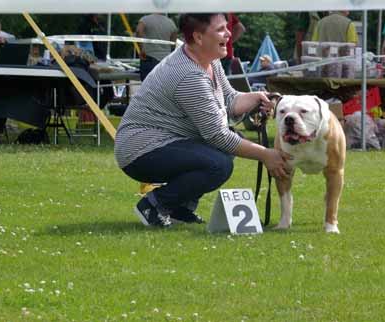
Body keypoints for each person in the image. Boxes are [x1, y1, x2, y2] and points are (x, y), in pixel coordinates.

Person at [114, 13, 290, 228]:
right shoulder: (189, 76)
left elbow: (229, 99)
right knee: (219, 164)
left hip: (164, 142)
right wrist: (265, 155)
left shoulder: (208, 60)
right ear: (198, 38)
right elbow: (217, 136)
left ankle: (180, 209)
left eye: (227, 27)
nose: (228, 34)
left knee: (227, 149)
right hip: (140, 151)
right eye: (220, 30)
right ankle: (154, 204)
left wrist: (254, 97)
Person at [136, 13, 177, 81]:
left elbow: (138, 31)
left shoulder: (145, 19)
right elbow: (173, 43)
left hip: (149, 57)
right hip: (165, 60)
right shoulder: (171, 23)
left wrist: (141, 49)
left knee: (147, 86)